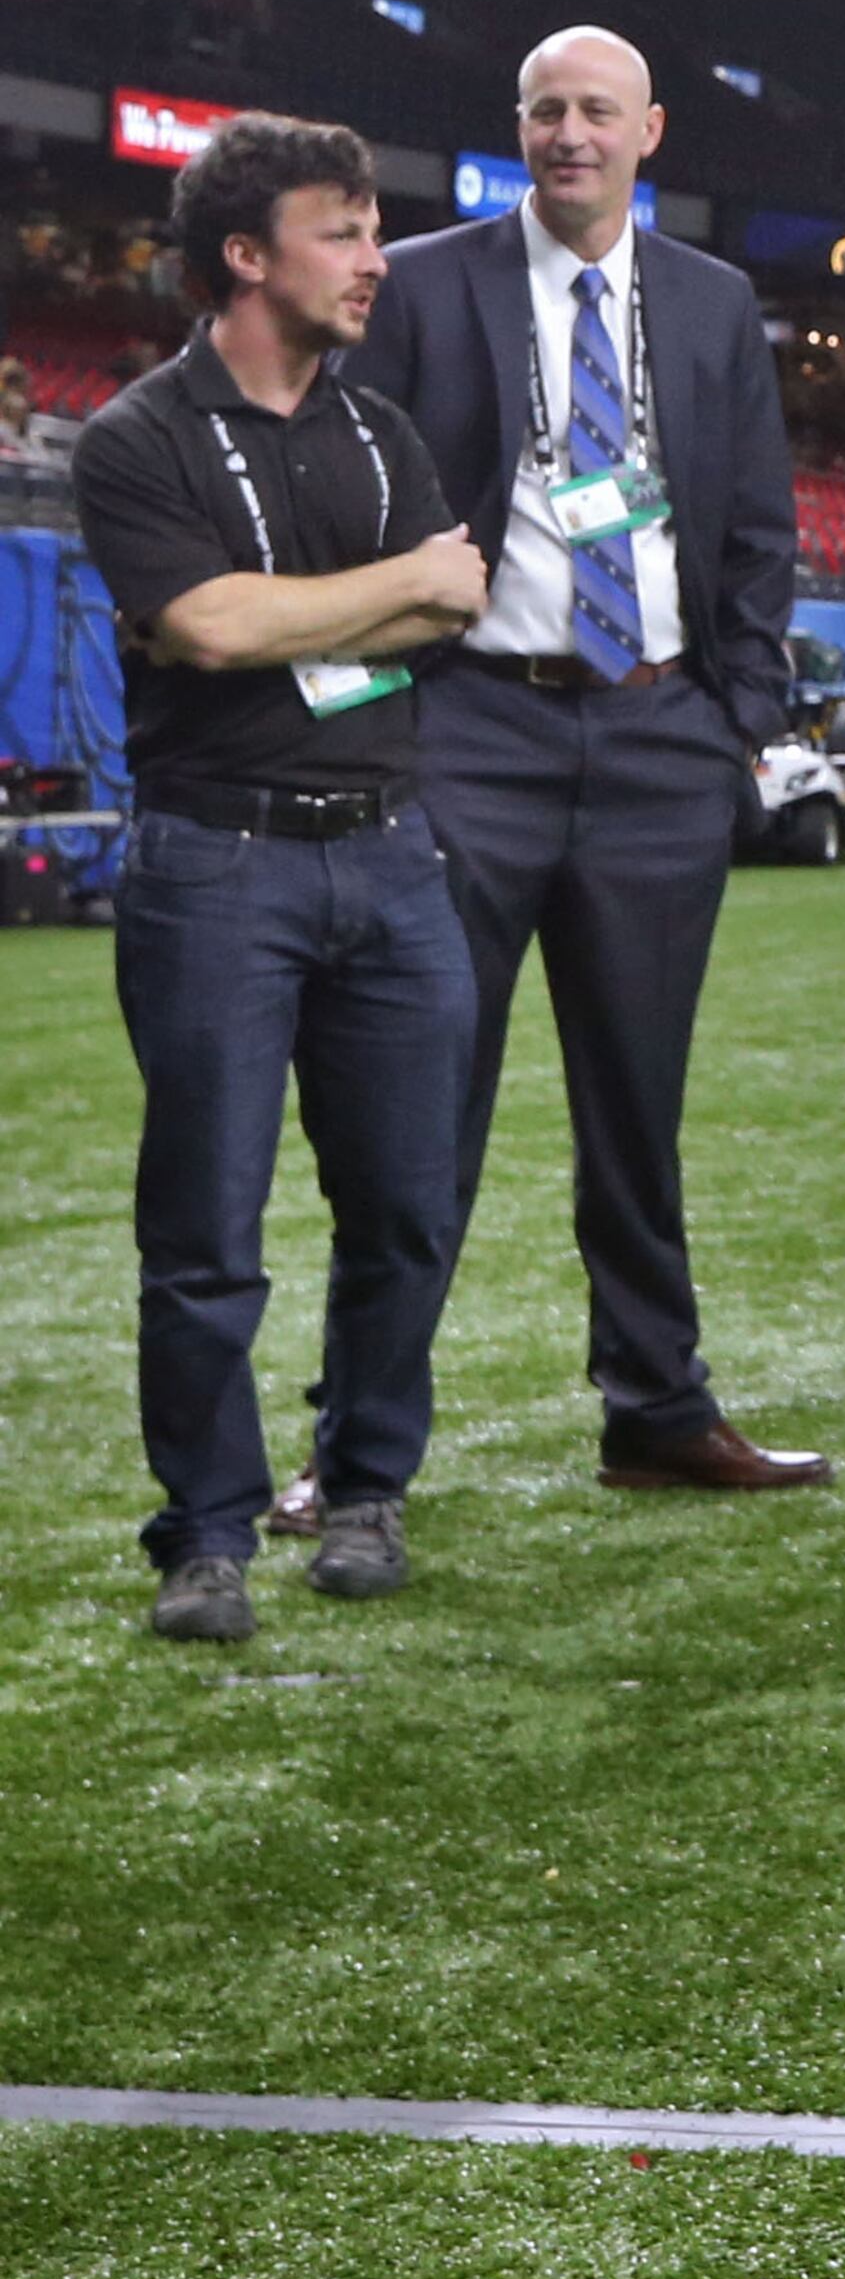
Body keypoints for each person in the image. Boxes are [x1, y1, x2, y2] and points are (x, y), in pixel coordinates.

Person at [338, 28, 826, 1498]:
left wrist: (733, 717)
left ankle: (659, 1410)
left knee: (638, 1099)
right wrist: (386, 704)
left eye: (595, 110)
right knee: (422, 1100)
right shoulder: (426, 283)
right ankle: (357, 1450)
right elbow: (359, 496)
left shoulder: (712, 302)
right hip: (472, 725)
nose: (569, 132)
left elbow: (755, 527)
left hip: (659, 734)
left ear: (649, 130)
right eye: (544, 108)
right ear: (520, 127)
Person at [68, 118, 487, 1637]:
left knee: (406, 1206)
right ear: (246, 255)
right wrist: (367, 598)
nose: (378, 258)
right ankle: (207, 1535)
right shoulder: (136, 438)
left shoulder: (383, 433)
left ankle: (365, 1484)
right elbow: (212, 630)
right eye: (344, 229)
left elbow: (447, 613)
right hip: (214, 864)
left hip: (390, 857)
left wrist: (290, 616)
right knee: (204, 1230)